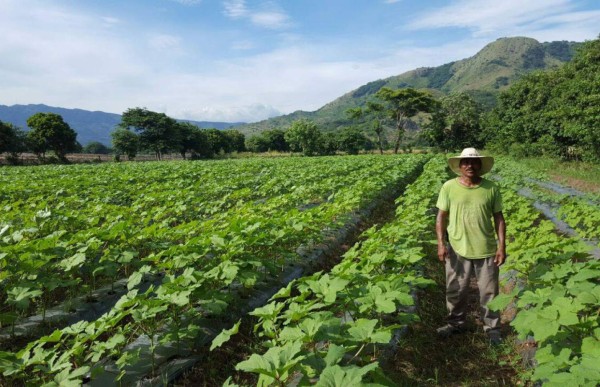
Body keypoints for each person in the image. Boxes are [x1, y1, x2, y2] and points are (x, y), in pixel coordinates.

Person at [435, 147, 506, 345]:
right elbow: (441, 216)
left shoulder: (491, 188)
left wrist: (502, 247)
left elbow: (499, 218)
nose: (469, 166)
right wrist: (441, 243)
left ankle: (492, 329)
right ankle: (455, 323)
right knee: (456, 289)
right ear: (459, 166)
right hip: (457, 248)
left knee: (489, 292)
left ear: (480, 166)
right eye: (465, 162)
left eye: (474, 162)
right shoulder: (449, 187)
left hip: (486, 248)